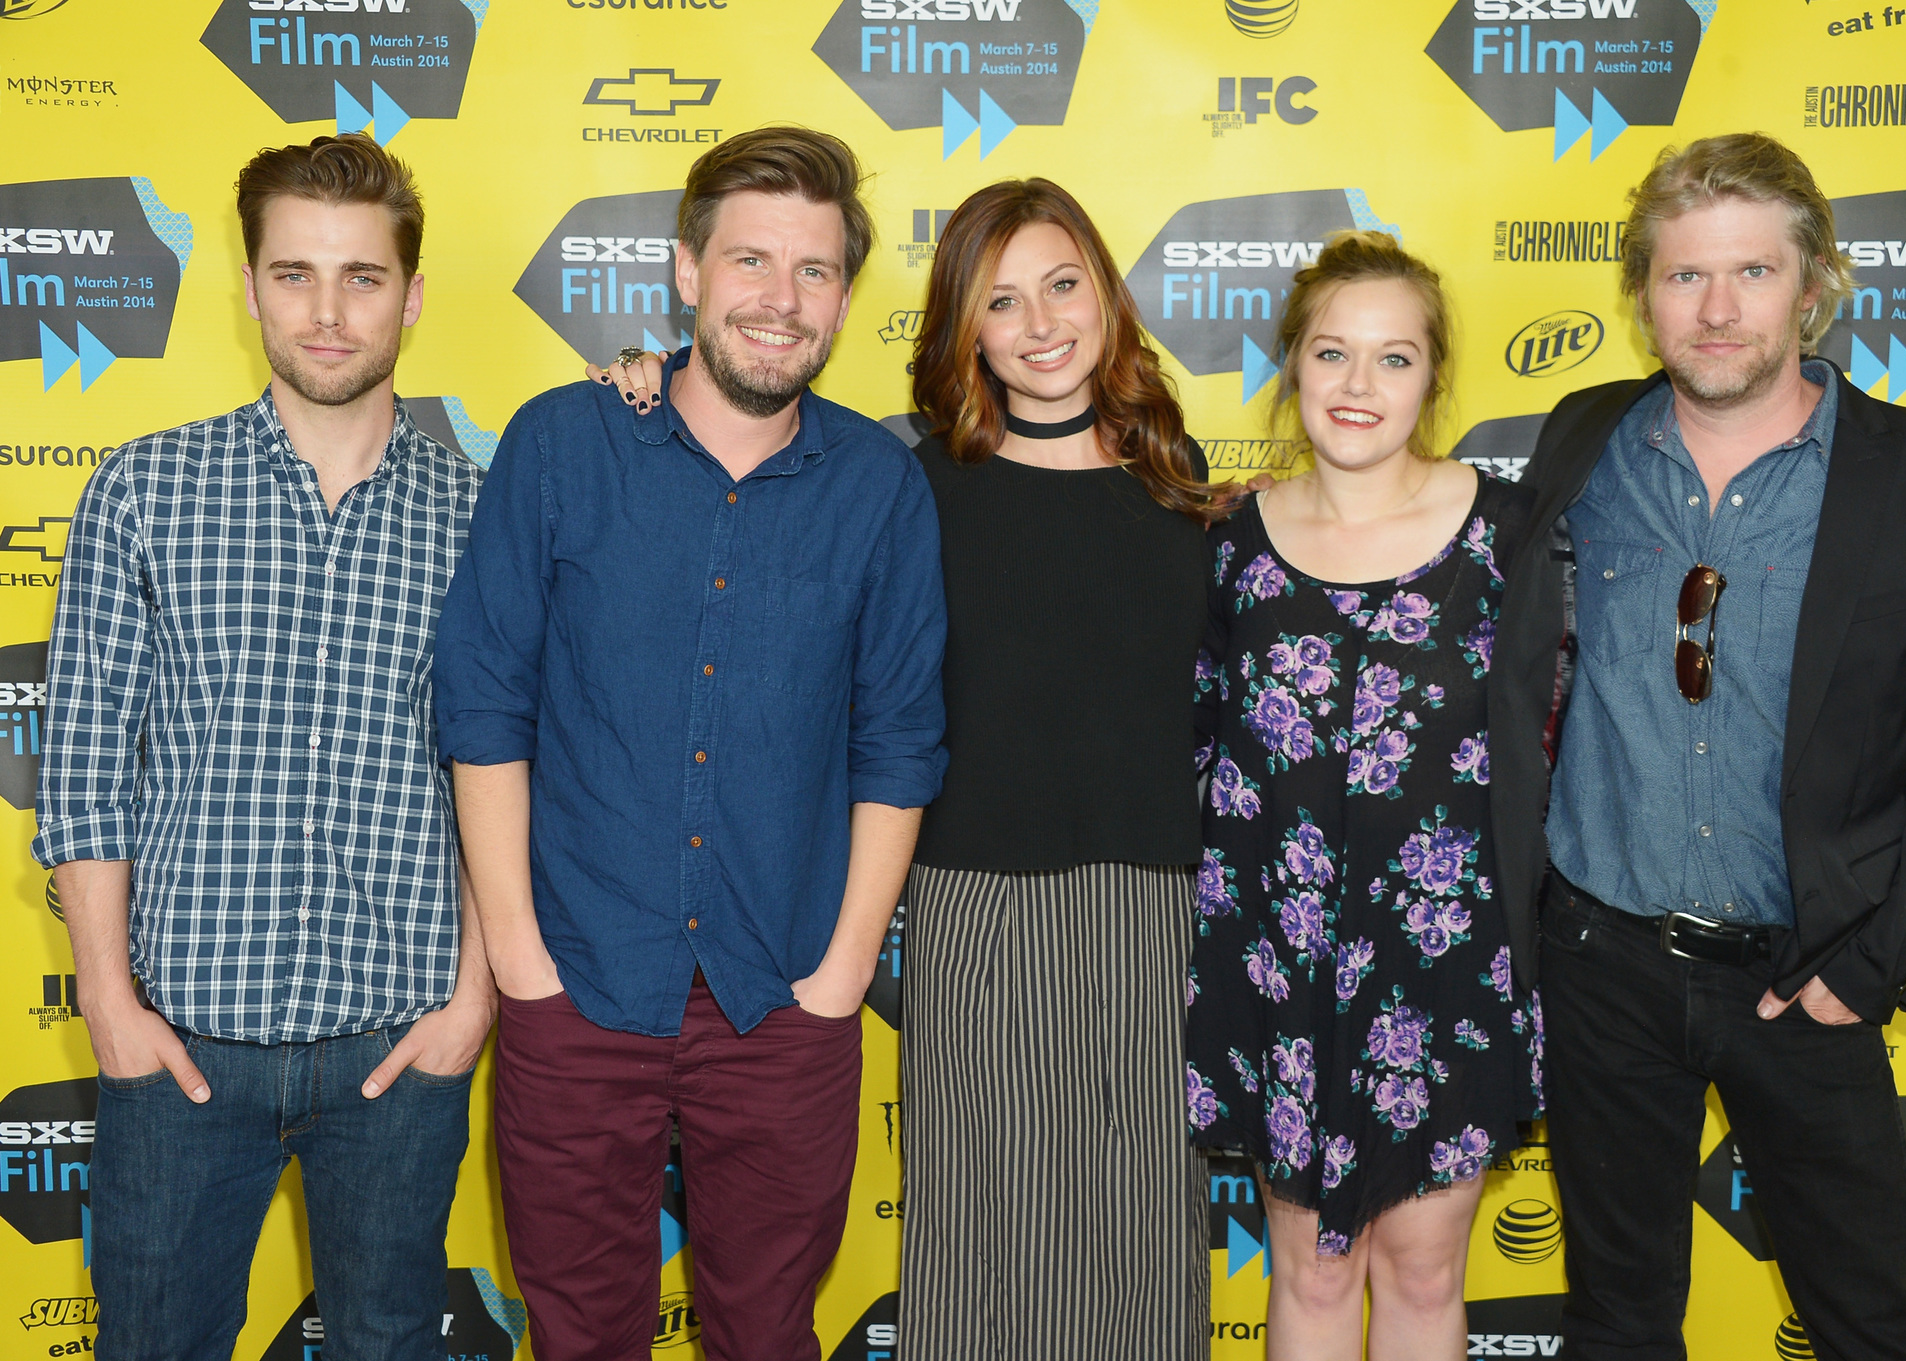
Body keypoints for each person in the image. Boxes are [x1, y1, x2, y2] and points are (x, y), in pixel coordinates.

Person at [598, 175, 1216, 1361]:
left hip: (1148, 909)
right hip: (967, 902)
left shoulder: (1174, 476)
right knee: (975, 1230)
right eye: (999, 300)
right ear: (961, 329)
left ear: (1106, 293)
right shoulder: (910, 483)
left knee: (1142, 1232)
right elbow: (730, 452)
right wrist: (639, 369)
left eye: (1061, 285)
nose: (1038, 323)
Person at [1490, 132, 1906, 1360]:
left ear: (1812, 284)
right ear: (1642, 293)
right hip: (1601, 964)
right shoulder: (1581, 444)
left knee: (1870, 1319)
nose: (1717, 307)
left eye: (1750, 271)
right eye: (1683, 275)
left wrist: (1870, 961)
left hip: (1807, 971)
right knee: (1616, 1319)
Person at [433, 126, 947, 1361]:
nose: (779, 300)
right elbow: (485, 701)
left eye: (813, 271)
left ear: (841, 295)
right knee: (580, 1335)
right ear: (684, 269)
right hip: (577, 981)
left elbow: (899, 738)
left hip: (783, 997)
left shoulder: (879, 484)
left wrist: (838, 980)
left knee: (767, 1334)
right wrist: (518, 954)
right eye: (750, 261)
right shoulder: (562, 443)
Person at [32, 134, 491, 1360]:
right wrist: (111, 1005)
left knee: (391, 1342)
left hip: (398, 1048)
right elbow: (82, 765)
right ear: (246, 286)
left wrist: (471, 1000)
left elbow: (508, 778)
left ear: (412, 293)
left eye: (362, 276)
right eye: (293, 274)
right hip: (180, 1047)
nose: (328, 312)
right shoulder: (143, 490)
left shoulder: (482, 515)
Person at [1188, 231, 1543, 1361]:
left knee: (1423, 1267)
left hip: (1447, 962)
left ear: (1433, 377)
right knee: (1312, 1267)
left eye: (1392, 358)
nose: (1357, 385)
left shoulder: (1512, 537)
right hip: (1277, 966)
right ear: (1289, 364)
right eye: (1331, 353)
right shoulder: (1225, 542)